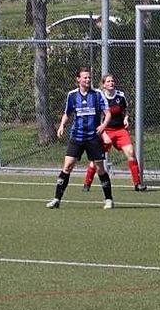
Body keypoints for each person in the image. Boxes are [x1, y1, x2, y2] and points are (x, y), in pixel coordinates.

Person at [46, 67, 114, 209]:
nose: (88, 80)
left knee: (100, 168)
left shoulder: (97, 94)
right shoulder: (72, 95)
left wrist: (103, 126)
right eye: (85, 77)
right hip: (76, 136)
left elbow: (107, 113)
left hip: (93, 137)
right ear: (78, 79)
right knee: (67, 166)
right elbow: (67, 113)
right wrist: (62, 126)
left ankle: (109, 199)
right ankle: (57, 199)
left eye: (89, 77)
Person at [80, 74, 147, 193]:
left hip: (120, 130)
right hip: (105, 131)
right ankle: (87, 183)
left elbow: (125, 110)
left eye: (112, 81)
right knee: (97, 159)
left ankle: (137, 184)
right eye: (108, 81)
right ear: (103, 84)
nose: (111, 83)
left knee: (131, 152)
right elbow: (96, 116)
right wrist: (102, 132)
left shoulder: (120, 96)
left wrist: (126, 118)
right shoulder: (99, 97)